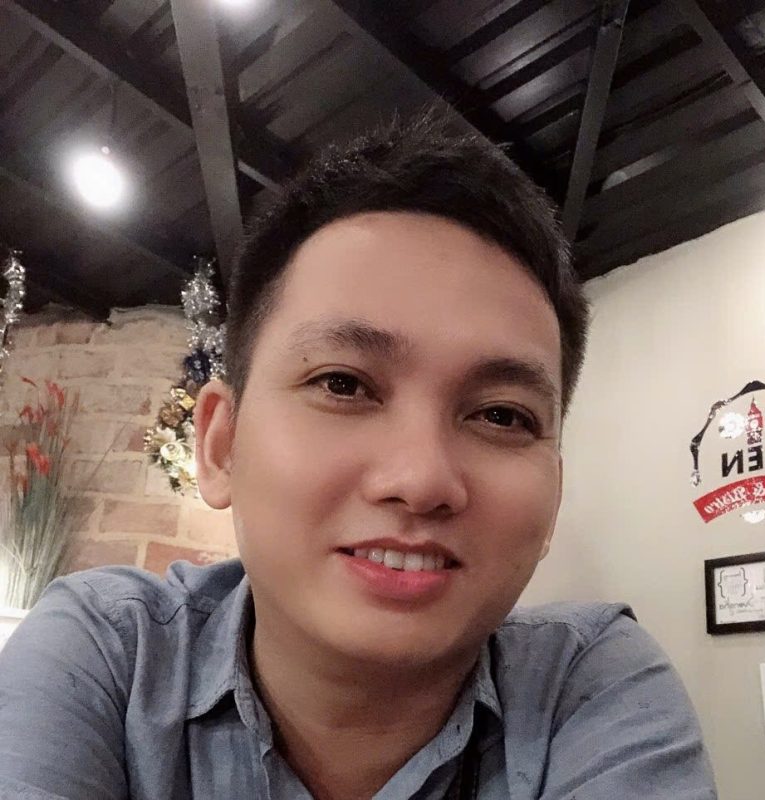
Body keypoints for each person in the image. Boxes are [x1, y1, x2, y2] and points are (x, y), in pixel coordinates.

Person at [0, 116, 716, 799]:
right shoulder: (106, 656)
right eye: (342, 384)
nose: (421, 480)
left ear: (554, 495)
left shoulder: (590, 686)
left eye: (502, 415)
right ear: (220, 444)